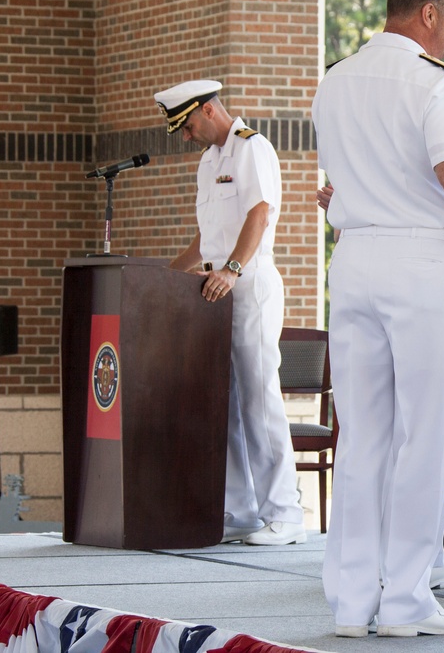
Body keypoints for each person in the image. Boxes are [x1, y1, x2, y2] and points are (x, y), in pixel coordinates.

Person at [311, 0, 444, 638]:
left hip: (354, 259)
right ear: (429, 13)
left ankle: (352, 603)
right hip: (416, 263)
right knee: (423, 436)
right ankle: (407, 603)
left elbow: (338, 182)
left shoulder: (333, 82)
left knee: (363, 436)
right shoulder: (433, 82)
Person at [154, 80, 306, 547]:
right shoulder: (208, 162)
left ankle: (285, 513)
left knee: (260, 399)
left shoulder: (250, 148)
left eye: (188, 124)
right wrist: (161, 278)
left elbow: (260, 213)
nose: (186, 136)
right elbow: (206, 239)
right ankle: (239, 509)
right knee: (229, 404)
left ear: (209, 109)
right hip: (214, 289)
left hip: (249, 284)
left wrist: (234, 269)